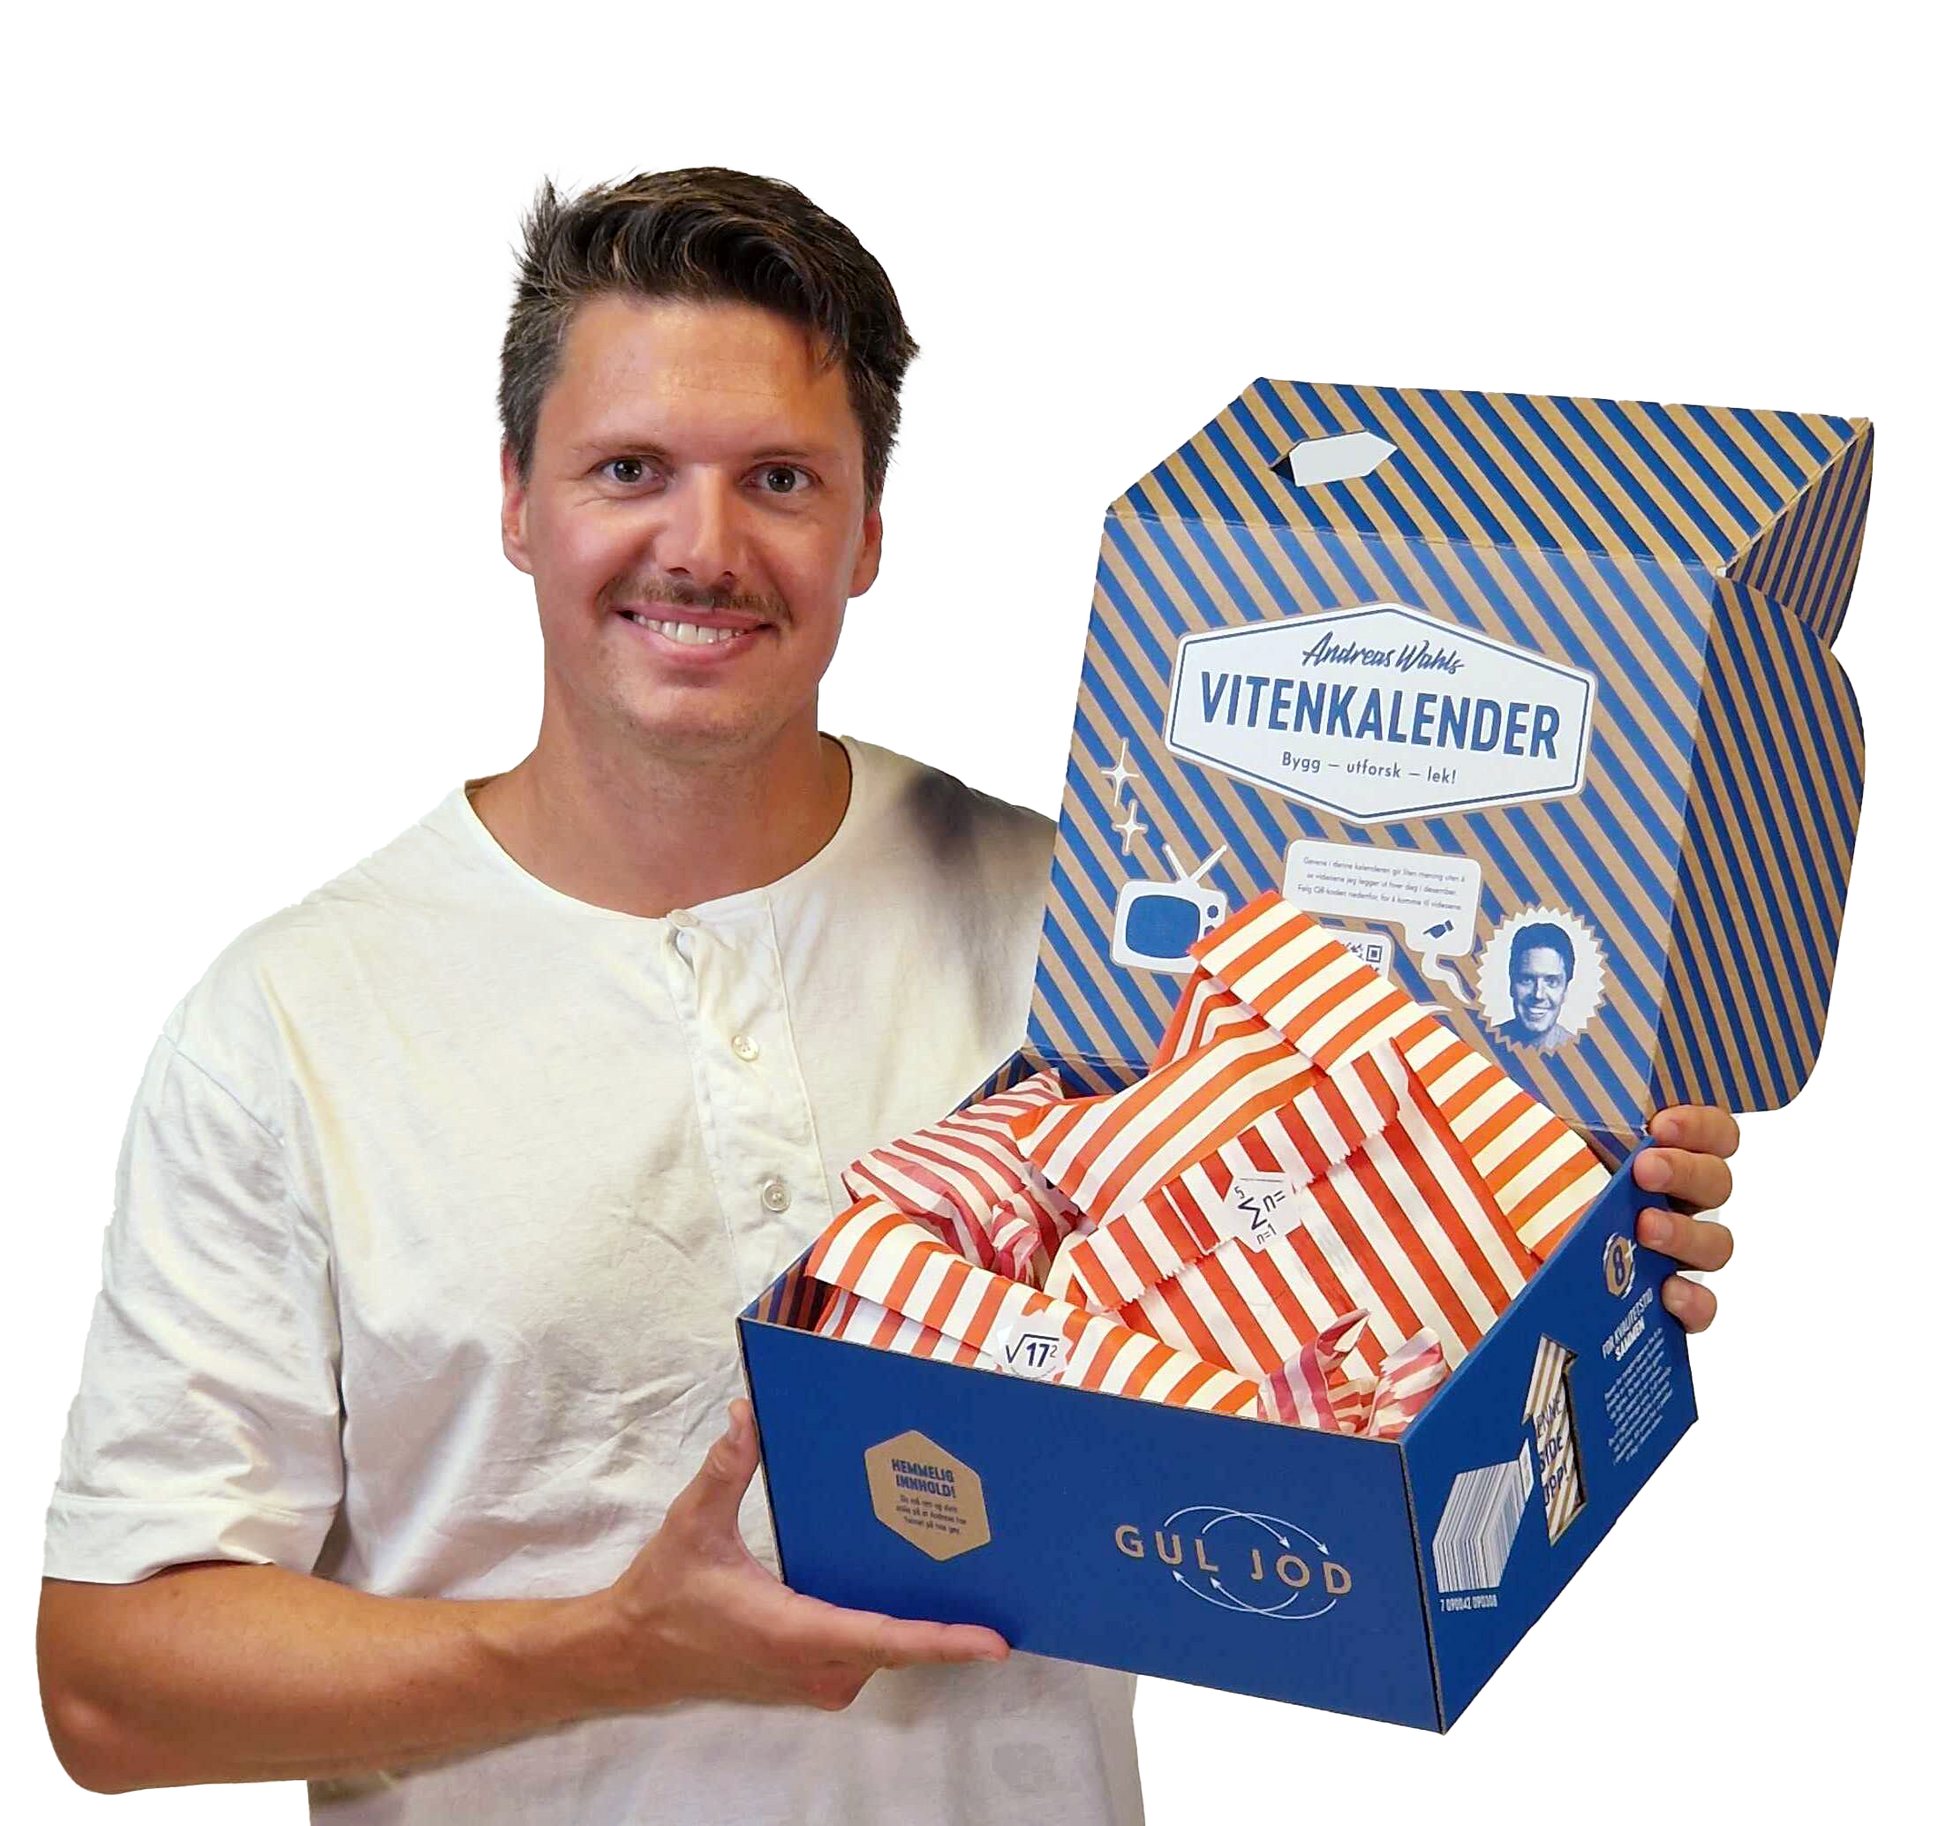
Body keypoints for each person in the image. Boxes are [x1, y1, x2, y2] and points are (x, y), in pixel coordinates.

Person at [33, 159, 1742, 1822]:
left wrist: (1586, 1233)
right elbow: (111, 1687)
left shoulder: (1099, 927)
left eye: (780, 479)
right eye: (628, 467)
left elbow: (1361, 1331)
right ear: (512, 500)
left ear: (867, 531)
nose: (702, 546)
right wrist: (620, 1647)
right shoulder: (288, 1021)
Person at [1496, 920, 1578, 1052]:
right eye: (1527, 980)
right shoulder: (1479, 1044)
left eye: (1551, 982)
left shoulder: (1582, 1054)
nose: (1538, 995)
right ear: (1511, 984)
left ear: (1565, 990)